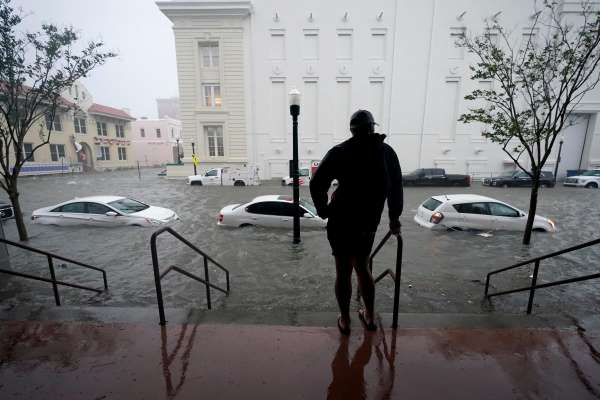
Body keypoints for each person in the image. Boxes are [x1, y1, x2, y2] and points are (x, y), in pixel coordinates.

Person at [309, 109, 403, 334]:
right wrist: (393, 218)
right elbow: (395, 188)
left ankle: (345, 320)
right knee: (362, 267)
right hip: (368, 224)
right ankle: (369, 317)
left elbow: (316, 183)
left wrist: (323, 210)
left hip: (340, 221)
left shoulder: (340, 151)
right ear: (373, 128)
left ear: (351, 130)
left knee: (343, 271)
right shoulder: (386, 152)